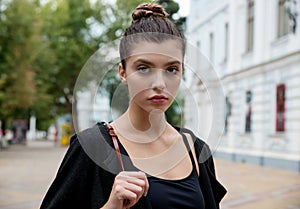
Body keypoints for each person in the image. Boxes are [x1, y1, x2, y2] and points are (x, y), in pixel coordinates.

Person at [40, 2, 226, 209]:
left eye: (172, 69)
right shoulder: (91, 147)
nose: (159, 84)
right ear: (122, 72)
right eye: (144, 68)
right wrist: (110, 206)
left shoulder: (195, 149)